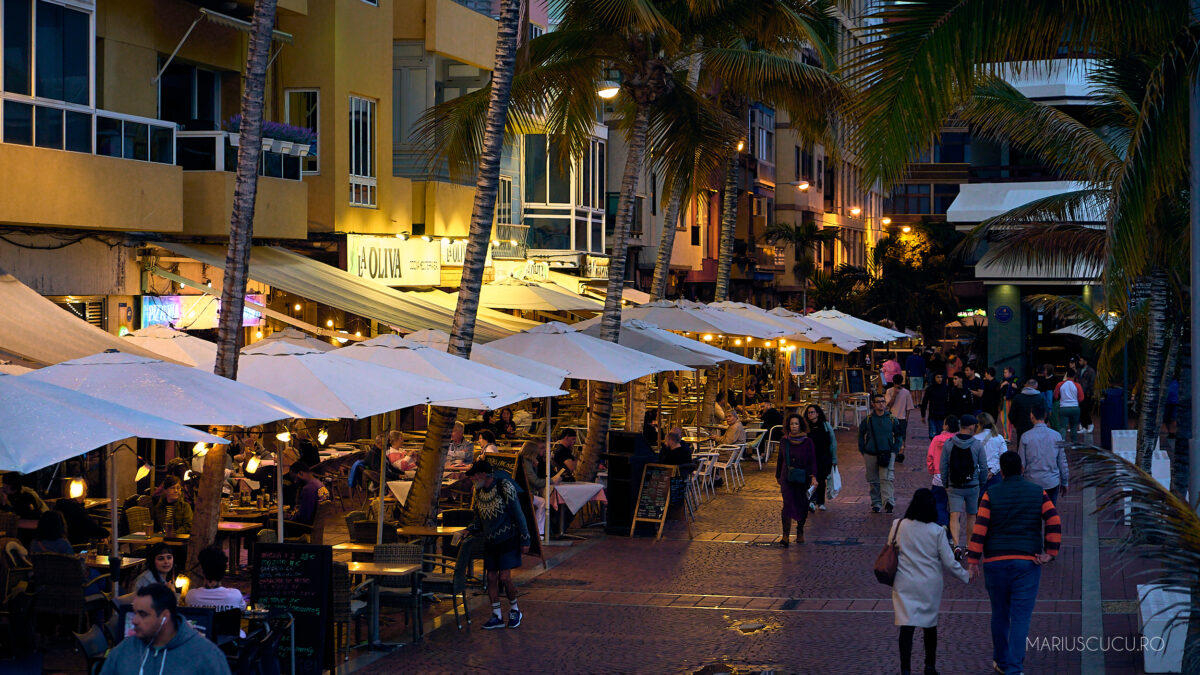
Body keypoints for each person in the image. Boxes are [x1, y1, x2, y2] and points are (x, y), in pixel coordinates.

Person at [968, 451, 1062, 675]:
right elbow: (1054, 520)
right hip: (1027, 562)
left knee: (999, 614)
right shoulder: (1038, 492)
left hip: (995, 563)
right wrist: (1050, 552)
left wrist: (973, 560)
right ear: (1021, 469)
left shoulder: (991, 494)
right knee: (1021, 618)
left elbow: (979, 529)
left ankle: (1000, 660)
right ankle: (1014, 667)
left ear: (1001, 471)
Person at [892, 488, 969, 675]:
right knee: (930, 626)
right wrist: (966, 575)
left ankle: (905, 670)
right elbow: (949, 562)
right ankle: (930, 666)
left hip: (904, 582)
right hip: (929, 585)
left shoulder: (898, 525)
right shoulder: (937, 531)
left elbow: (891, 549)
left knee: (906, 626)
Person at [100, 583, 231, 675]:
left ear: (165, 617)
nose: (134, 620)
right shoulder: (124, 650)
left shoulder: (207, 655)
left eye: (143, 614)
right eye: (135, 613)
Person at [465, 460, 530, 630]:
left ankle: (515, 609)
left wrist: (525, 539)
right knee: (491, 577)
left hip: (508, 538)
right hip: (490, 540)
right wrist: (469, 529)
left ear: (482, 475)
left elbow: (518, 514)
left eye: (474, 475)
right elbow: (478, 519)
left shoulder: (504, 487)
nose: (472, 478)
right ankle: (496, 615)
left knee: (504, 578)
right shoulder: (478, 492)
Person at [941, 413, 988, 557]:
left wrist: (946, 483)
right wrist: (981, 482)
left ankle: (956, 545)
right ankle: (969, 545)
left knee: (954, 515)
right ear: (971, 427)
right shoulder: (977, 445)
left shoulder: (949, 444)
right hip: (972, 485)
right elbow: (983, 467)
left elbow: (943, 466)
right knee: (971, 516)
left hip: (954, 485)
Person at [776, 414, 818, 545]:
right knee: (787, 504)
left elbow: (812, 459)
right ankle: (785, 536)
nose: (793, 426)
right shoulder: (784, 440)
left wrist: (813, 476)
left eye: (796, 424)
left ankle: (800, 530)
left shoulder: (807, 441)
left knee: (802, 504)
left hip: (803, 477)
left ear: (800, 425)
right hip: (787, 477)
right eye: (791, 424)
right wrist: (778, 476)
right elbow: (780, 459)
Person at [859, 393, 902, 514]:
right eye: (878, 401)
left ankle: (888, 502)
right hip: (870, 453)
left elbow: (899, 435)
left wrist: (895, 449)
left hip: (887, 453)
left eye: (883, 401)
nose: (881, 404)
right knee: (873, 480)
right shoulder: (868, 419)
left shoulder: (892, 419)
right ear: (873, 404)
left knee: (887, 478)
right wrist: (863, 449)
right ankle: (876, 503)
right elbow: (861, 435)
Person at [1017, 404, 1068, 505]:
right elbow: (1062, 462)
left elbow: (1021, 463)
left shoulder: (1025, 437)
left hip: (1031, 482)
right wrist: (1064, 481)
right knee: (1050, 515)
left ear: (1032, 416)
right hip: (1051, 482)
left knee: (1033, 515)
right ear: (1045, 416)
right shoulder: (1056, 436)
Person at [184, 547, 246, 611]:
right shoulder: (235, 595)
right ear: (223, 570)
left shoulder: (191, 596)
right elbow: (242, 609)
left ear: (202, 570)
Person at [804, 404, 837, 512]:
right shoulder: (806, 427)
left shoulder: (825, 426)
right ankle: (812, 500)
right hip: (810, 457)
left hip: (823, 457)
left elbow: (832, 442)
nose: (810, 414)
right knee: (811, 478)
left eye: (812, 412)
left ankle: (820, 502)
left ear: (817, 413)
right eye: (809, 412)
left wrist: (834, 458)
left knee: (821, 479)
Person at [926, 415, 958, 528]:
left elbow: (930, 457)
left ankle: (942, 525)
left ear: (947, 426)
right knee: (954, 507)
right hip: (955, 477)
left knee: (939, 504)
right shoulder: (959, 440)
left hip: (939, 476)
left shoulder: (936, 439)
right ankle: (953, 533)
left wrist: (932, 470)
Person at [975, 412, 1008, 493]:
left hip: (979, 475)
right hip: (995, 475)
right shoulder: (999, 437)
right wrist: (992, 472)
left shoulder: (974, 439)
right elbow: (1004, 458)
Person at [885, 375, 917, 454]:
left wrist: (906, 419)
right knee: (891, 436)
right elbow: (888, 405)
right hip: (891, 417)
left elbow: (908, 407)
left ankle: (901, 453)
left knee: (902, 437)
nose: (897, 385)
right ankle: (893, 451)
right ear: (893, 383)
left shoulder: (906, 392)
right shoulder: (889, 391)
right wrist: (894, 395)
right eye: (896, 383)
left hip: (902, 418)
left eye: (899, 383)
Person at [1053, 368, 1084, 443]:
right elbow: (1081, 398)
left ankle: (1062, 442)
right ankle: (1074, 443)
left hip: (1063, 408)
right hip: (1075, 408)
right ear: (1074, 376)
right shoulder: (1077, 385)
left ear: (1066, 375)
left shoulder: (1060, 384)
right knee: (1073, 427)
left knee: (1063, 427)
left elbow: (1055, 396)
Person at [1010, 379, 1044, 443]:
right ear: (1036, 386)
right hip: (1036, 425)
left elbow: (1012, 414)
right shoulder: (1040, 398)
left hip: (1021, 427)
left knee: (1021, 446)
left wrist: (1016, 424)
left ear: (1026, 385)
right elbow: (1046, 413)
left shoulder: (1017, 397)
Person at [920, 372, 949, 440]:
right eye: (938, 377)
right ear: (934, 378)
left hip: (943, 416)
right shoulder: (930, 389)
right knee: (932, 436)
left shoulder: (946, 389)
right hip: (933, 415)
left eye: (941, 377)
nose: (940, 379)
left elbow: (949, 403)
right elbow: (924, 402)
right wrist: (923, 415)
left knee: (941, 436)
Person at [1075, 355, 1096, 433]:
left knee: (1085, 410)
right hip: (1079, 392)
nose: (1080, 362)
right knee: (1081, 410)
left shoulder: (1090, 371)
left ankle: (1089, 424)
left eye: (1081, 360)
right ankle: (1084, 426)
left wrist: (1089, 392)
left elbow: (1092, 382)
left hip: (1086, 393)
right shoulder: (1079, 370)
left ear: (1085, 361)